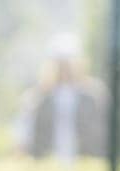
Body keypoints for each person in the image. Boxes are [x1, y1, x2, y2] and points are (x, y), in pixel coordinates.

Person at [19, 33, 109, 161]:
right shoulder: (38, 98)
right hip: (48, 161)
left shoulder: (92, 95)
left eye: (68, 62)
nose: (64, 67)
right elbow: (26, 134)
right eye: (60, 63)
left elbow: (101, 133)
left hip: (85, 161)